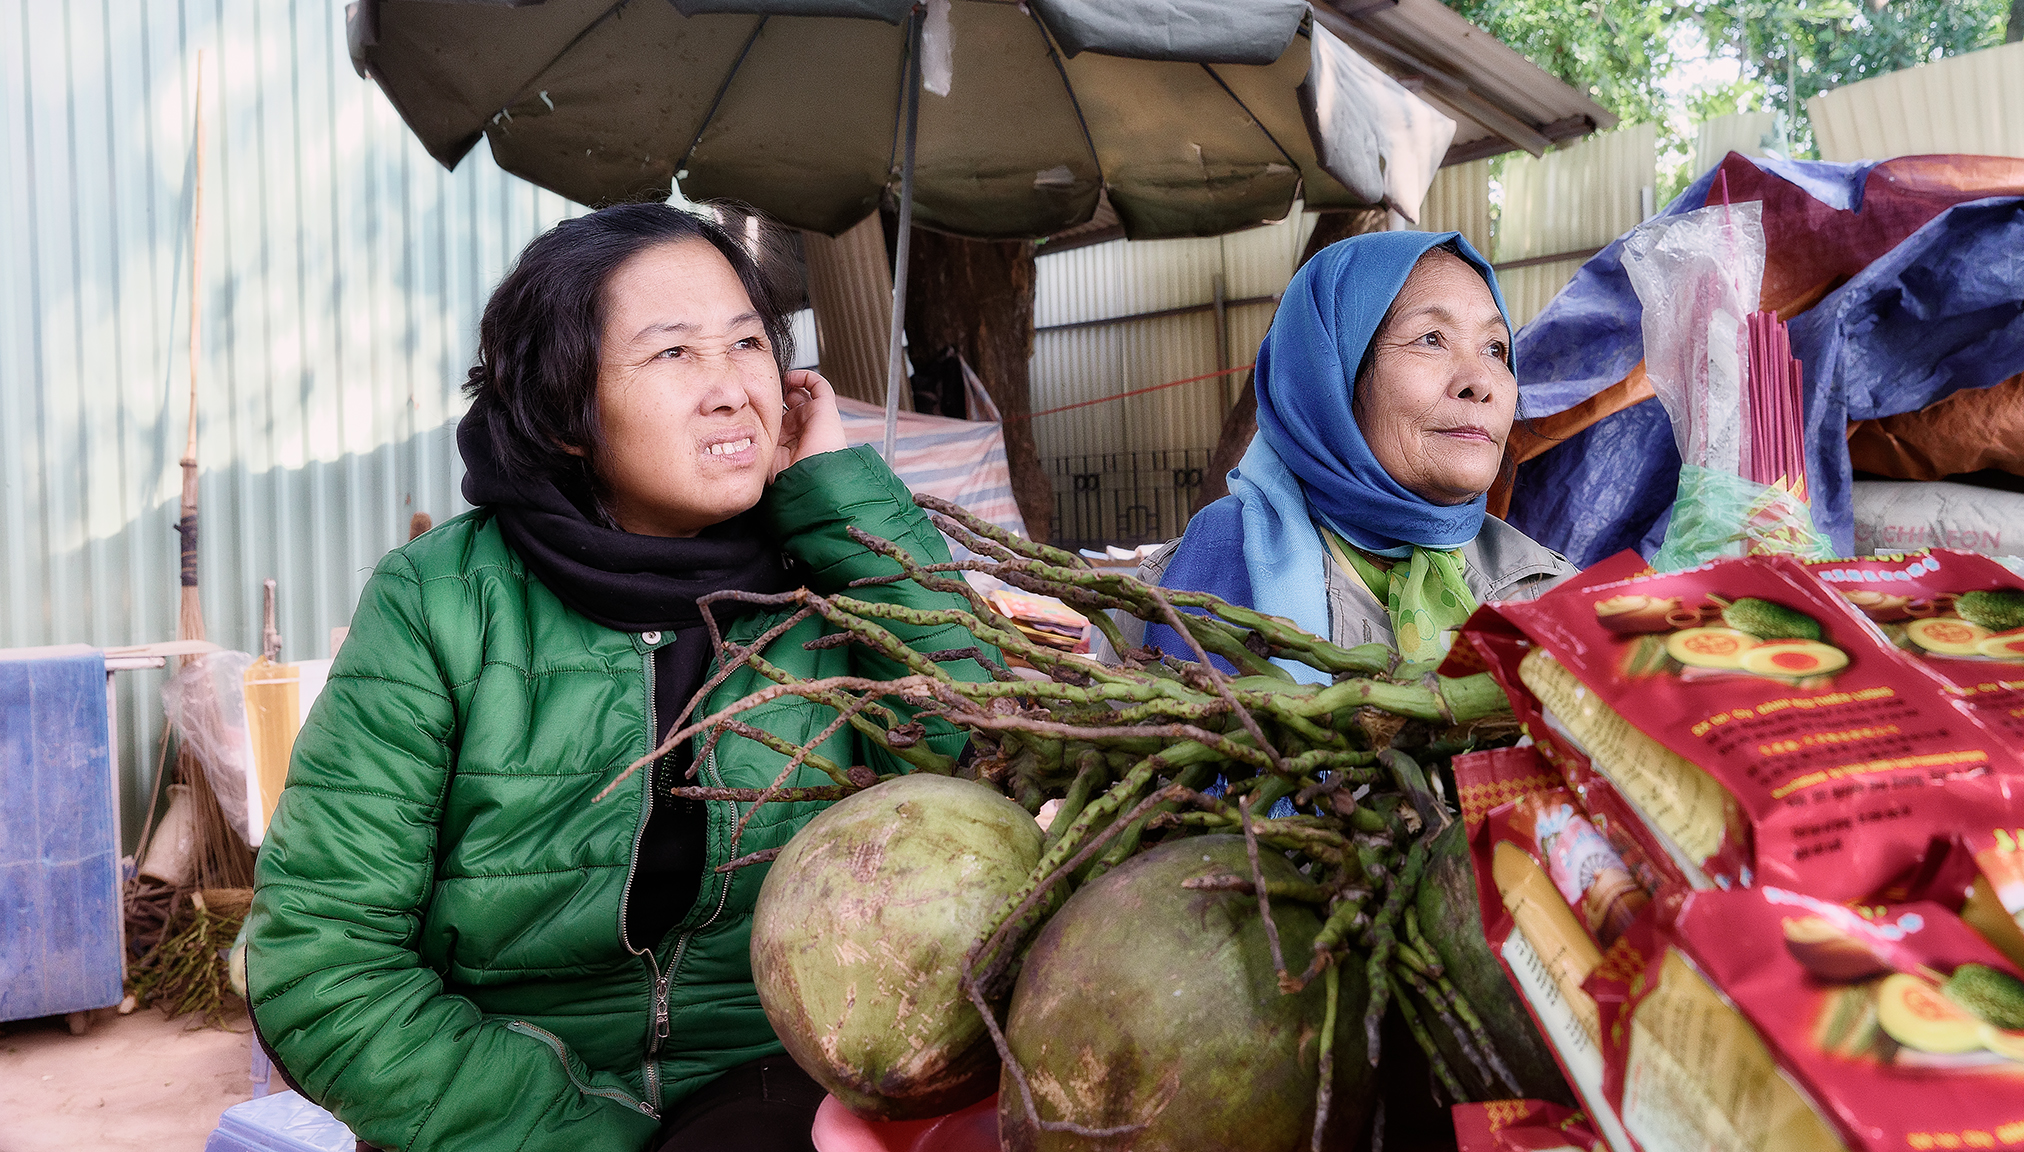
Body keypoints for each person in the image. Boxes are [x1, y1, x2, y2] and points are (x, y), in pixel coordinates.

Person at [245, 202, 996, 1152]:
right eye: (674, 354)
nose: (732, 390)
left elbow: (992, 765)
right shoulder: (440, 604)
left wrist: (846, 505)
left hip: (768, 1091)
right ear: (567, 411)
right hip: (499, 1109)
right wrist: (583, 1135)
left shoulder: (832, 582)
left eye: (749, 345)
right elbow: (323, 964)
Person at [1141, 231, 1574, 673]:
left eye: (1495, 348)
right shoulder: (1176, 592)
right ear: (1328, 376)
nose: (1480, 382)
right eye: (1431, 339)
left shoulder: (1553, 594)